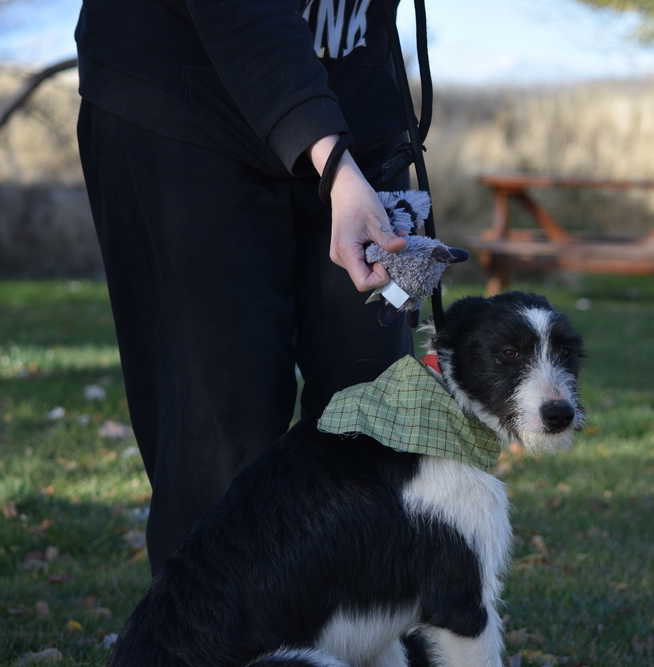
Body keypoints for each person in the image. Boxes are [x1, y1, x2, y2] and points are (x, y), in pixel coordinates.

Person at [75, 0, 419, 575]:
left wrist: (370, 146)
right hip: (183, 103)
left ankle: (361, 636)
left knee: (375, 408)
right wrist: (332, 160)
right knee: (223, 424)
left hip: (355, 112)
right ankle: (213, 643)